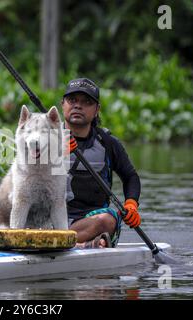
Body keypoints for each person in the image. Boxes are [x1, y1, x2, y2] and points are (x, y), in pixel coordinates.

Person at [61, 78, 141, 248]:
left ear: (97, 110)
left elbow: (130, 176)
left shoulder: (108, 143)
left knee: (108, 219)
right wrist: (54, 150)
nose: (77, 106)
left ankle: (69, 243)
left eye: (86, 102)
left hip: (90, 221)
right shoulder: (44, 138)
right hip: (51, 218)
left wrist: (131, 204)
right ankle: (84, 245)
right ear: (63, 105)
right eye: (72, 100)